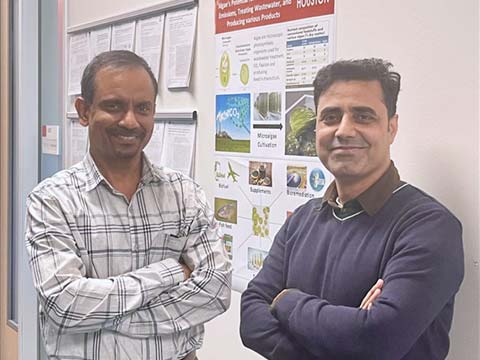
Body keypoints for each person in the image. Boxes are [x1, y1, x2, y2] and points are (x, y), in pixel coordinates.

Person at [240, 58, 464, 359]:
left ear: (391, 128)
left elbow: (376, 339)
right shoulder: (303, 220)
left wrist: (286, 301)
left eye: (363, 116)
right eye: (330, 117)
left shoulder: (429, 227)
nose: (344, 131)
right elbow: (251, 316)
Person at [25, 50, 232, 360]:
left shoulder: (185, 194)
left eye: (143, 108)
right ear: (84, 111)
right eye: (114, 106)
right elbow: (64, 305)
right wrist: (170, 272)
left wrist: (109, 321)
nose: (130, 121)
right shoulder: (51, 201)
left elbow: (216, 290)